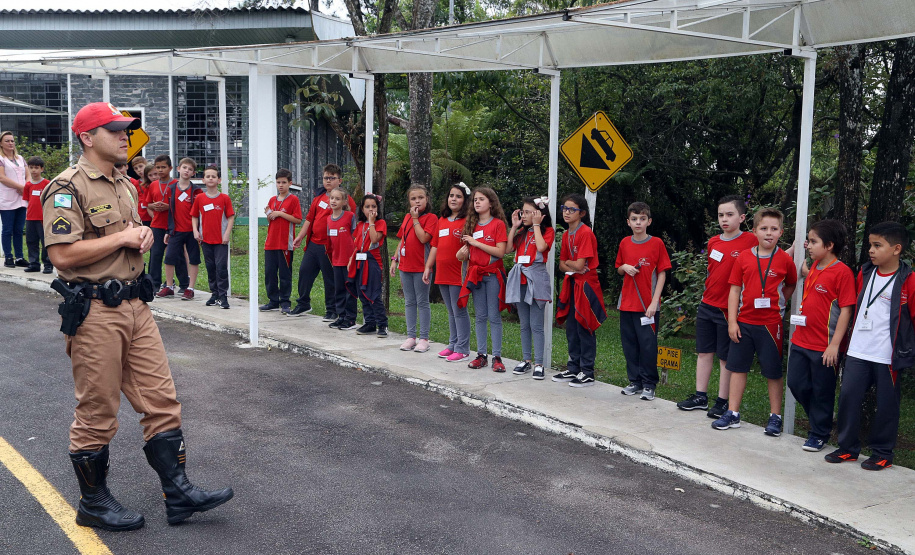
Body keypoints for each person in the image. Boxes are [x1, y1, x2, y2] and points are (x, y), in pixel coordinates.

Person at [42, 102, 232, 532]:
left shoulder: (125, 185)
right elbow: (62, 254)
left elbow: (129, 234)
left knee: (162, 402)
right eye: (115, 130)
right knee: (97, 411)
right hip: (94, 312)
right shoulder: (67, 187)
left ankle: (178, 493)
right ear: (88, 138)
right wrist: (125, 237)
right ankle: (94, 503)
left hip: (136, 306)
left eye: (127, 130)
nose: (125, 136)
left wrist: (141, 233)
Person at [826, 221, 915, 470]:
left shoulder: (909, 280)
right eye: (870, 246)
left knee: (887, 404)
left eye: (878, 245)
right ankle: (847, 448)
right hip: (858, 350)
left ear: (896, 249)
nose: (871, 251)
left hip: (888, 355)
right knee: (848, 398)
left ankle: (883, 452)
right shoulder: (865, 272)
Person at [713, 207, 797, 435]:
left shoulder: (784, 260)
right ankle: (733, 412)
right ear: (754, 231)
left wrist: (780, 303)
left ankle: (775, 417)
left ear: (781, 232)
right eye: (764, 228)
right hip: (744, 323)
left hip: (771, 325)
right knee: (737, 368)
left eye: (774, 229)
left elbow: (790, 283)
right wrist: (732, 322)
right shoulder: (744, 257)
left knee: (773, 371)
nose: (769, 233)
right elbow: (734, 291)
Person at [677, 195, 757, 418]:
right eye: (721, 215)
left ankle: (722, 401)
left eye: (730, 215)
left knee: (724, 357)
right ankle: (700, 396)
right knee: (704, 353)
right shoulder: (714, 241)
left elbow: (773, 255)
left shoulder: (751, 240)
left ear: (741, 217)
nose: (724, 219)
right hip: (707, 304)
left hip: (728, 310)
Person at [787, 219, 855, 452]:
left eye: (813, 241)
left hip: (824, 346)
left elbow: (846, 309)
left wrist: (835, 345)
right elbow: (806, 272)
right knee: (795, 383)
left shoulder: (842, 273)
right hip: (800, 340)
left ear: (829, 245)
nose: (809, 245)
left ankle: (819, 433)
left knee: (822, 391)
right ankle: (820, 418)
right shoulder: (815, 266)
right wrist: (796, 250)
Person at [615, 201, 672, 400]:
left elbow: (662, 273)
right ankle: (635, 381)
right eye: (634, 219)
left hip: (648, 306)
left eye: (642, 219)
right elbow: (619, 269)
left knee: (648, 345)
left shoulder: (657, 243)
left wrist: (655, 302)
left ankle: (649, 384)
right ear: (628, 222)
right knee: (629, 345)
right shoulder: (624, 243)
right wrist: (625, 267)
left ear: (649, 221)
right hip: (626, 304)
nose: (638, 222)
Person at [553, 193, 606, 387]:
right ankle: (573, 367)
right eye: (564, 208)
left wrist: (571, 264)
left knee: (585, 326)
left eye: (572, 209)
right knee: (572, 328)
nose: (567, 212)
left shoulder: (586, 233)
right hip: (573, 284)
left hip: (586, 287)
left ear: (581, 213)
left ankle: (588, 371)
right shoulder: (567, 234)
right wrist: (570, 263)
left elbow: (581, 264)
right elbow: (562, 265)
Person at [290, 164, 355, 318]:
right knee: (305, 272)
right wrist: (300, 236)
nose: (328, 181)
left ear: (339, 180)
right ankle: (303, 303)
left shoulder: (346, 199)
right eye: (326, 177)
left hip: (331, 247)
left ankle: (332, 310)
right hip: (313, 244)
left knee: (330, 279)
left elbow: (350, 223)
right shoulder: (318, 198)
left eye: (332, 178)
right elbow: (309, 219)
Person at [457, 187, 507, 371]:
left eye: (481, 199)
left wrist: (476, 242)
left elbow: (500, 252)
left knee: (494, 316)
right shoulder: (471, 224)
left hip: (492, 275)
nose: (477, 202)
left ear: (491, 202)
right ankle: (481, 355)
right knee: (479, 316)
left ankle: (497, 357)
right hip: (476, 276)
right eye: (475, 200)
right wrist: (461, 254)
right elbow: (465, 254)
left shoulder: (498, 225)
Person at [505, 195, 554, 380]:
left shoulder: (546, 231)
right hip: (520, 281)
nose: (523, 215)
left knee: (536, 325)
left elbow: (541, 248)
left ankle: (539, 363)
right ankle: (526, 359)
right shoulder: (522, 233)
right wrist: (515, 227)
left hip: (537, 280)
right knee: (524, 324)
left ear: (538, 214)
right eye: (523, 212)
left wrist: (536, 225)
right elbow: (509, 249)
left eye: (527, 212)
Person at [424, 183, 471, 363]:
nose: (454, 199)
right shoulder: (441, 220)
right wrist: (428, 267)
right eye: (451, 195)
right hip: (442, 272)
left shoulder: (467, 221)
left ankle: (463, 348)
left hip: (458, 272)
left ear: (465, 200)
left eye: (458, 196)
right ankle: (453, 344)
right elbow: (434, 246)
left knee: (459, 310)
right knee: (450, 311)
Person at [393, 184, 438, 353]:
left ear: (427, 199)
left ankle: (424, 338)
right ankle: (411, 336)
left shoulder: (431, 218)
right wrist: (394, 259)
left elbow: (423, 238)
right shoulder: (407, 217)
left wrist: (415, 219)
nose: (417, 201)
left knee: (422, 301)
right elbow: (402, 240)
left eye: (420, 198)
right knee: (409, 301)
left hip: (421, 267)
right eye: (413, 198)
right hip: (405, 266)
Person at [191, 166, 234, 309]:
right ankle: (214, 294)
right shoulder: (200, 198)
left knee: (221, 267)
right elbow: (194, 216)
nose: (210, 178)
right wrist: (195, 231)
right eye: (207, 176)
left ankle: (223, 296)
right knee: (210, 267)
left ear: (219, 180)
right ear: (203, 180)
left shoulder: (224, 198)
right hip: (205, 239)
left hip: (221, 239)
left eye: (213, 176)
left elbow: (230, 217)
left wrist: (227, 233)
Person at [158, 157, 202, 300]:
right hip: (176, 230)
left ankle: (190, 288)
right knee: (169, 258)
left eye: (190, 169)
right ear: (178, 169)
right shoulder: (171, 189)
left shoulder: (196, 191)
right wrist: (168, 230)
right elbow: (169, 211)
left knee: (194, 259)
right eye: (184, 168)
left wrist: (199, 230)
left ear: (193, 173)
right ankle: (169, 286)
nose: (186, 171)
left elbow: (200, 212)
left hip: (192, 231)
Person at [261, 168, 302, 315]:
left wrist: (280, 213)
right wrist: (269, 214)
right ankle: (273, 301)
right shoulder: (272, 200)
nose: (281, 185)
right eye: (278, 182)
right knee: (270, 273)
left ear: (290, 183)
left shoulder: (293, 200)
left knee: (285, 274)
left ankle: (285, 301)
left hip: (285, 243)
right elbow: (270, 220)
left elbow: (298, 219)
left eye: (284, 182)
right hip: (271, 242)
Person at [146, 155, 188, 292]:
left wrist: (168, 207)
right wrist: (154, 206)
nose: (160, 170)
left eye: (163, 167)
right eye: (158, 167)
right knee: (156, 254)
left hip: (174, 225)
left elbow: (182, 206)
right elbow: (148, 204)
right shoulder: (153, 185)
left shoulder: (176, 184)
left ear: (170, 168)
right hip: (157, 225)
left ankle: (183, 284)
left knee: (177, 254)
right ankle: (154, 284)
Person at [350, 194, 388, 336]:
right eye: (367, 207)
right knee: (362, 293)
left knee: (374, 293)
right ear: (362, 209)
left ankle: (382, 324)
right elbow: (356, 245)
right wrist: (350, 260)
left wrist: (372, 222)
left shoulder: (380, 223)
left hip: (372, 262)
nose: (370, 209)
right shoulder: (360, 225)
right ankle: (370, 323)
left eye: (373, 206)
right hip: (359, 260)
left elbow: (374, 238)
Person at [325, 188, 357, 330]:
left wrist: (354, 257)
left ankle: (351, 319)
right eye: (332, 198)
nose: (334, 201)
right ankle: (341, 316)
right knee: (338, 289)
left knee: (349, 289)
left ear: (344, 202)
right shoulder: (328, 219)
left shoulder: (350, 216)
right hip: (336, 261)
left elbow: (355, 236)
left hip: (349, 261)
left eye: (337, 199)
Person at [0, 130, 28, 268]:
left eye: (12, 140)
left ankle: (19, 257)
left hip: (21, 198)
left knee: (18, 229)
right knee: (7, 229)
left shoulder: (20, 158)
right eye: (7, 141)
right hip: (7, 199)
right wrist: (20, 187)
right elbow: (2, 177)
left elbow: (28, 175)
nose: (10, 143)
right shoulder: (1, 159)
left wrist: (26, 187)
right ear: (1, 143)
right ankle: (8, 257)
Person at [22, 156, 52, 273]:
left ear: (42, 169)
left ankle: (48, 264)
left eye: (36, 168)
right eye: (31, 167)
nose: (34, 170)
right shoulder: (28, 185)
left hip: (43, 218)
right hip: (30, 218)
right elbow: (27, 200)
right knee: (31, 241)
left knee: (45, 242)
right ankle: (34, 263)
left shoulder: (47, 183)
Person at [135, 159, 154, 226]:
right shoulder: (136, 183)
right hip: (143, 215)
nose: (139, 170)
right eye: (136, 168)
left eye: (141, 166)